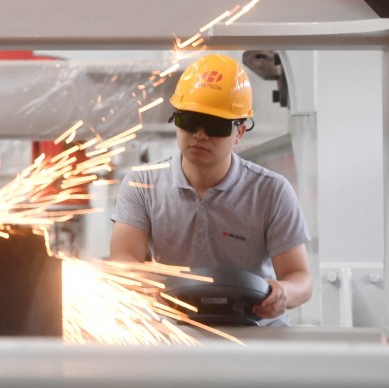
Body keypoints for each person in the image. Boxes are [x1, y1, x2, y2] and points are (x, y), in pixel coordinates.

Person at [109, 53, 312, 325]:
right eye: (190, 122)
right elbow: (123, 259)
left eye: (215, 125)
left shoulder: (271, 192)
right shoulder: (142, 184)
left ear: (239, 132)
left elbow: (300, 277)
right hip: (177, 330)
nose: (200, 135)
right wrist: (145, 284)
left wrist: (283, 293)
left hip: (256, 334)